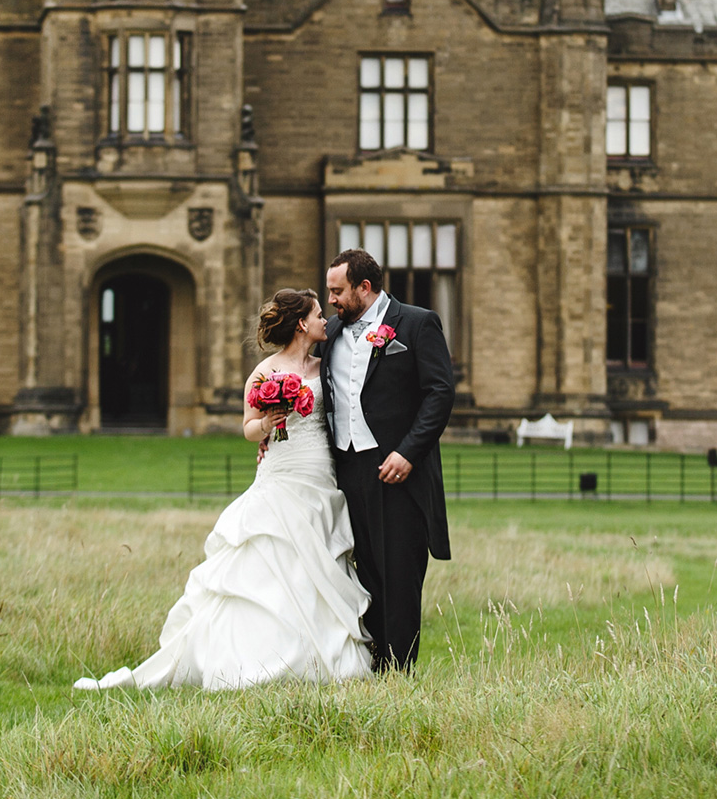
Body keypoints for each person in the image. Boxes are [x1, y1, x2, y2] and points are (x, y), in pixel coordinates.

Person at [74, 289, 373, 692]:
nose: (327, 320)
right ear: (302, 323)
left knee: (317, 555)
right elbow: (248, 428)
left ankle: (321, 652)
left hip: (320, 470)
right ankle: (264, 656)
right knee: (271, 556)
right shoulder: (265, 371)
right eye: (320, 313)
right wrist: (269, 423)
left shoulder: (326, 368)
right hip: (282, 471)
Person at [322, 248, 455, 670]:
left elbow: (439, 393)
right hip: (347, 470)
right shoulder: (330, 333)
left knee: (399, 575)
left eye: (338, 291)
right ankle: (370, 663)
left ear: (365, 287)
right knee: (363, 574)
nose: (331, 300)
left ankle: (397, 671)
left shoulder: (416, 323)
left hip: (398, 472)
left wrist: (408, 452)